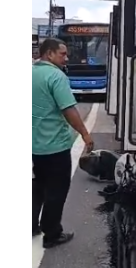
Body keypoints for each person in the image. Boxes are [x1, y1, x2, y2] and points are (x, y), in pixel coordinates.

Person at [32, 38, 94, 248]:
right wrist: (85, 134)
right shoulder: (56, 76)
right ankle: (52, 234)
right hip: (55, 146)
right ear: (49, 54)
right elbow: (68, 109)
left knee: (38, 185)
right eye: (62, 54)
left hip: (35, 146)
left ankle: (31, 225)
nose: (66, 58)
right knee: (56, 190)